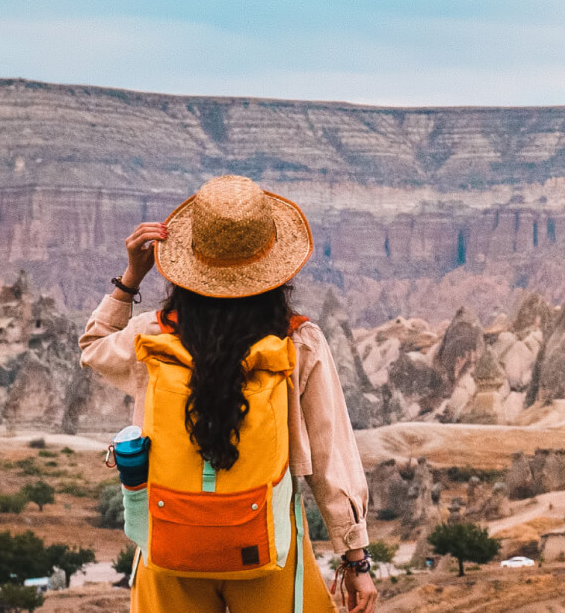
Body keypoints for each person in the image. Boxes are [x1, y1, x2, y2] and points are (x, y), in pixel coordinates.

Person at [81, 175, 377, 613]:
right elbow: (332, 456)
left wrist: (130, 279)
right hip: (269, 550)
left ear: (187, 262)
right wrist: (356, 560)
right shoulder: (298, 343)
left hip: (168, 551)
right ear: (276, 267)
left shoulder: (151, 336)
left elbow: (92, 348)